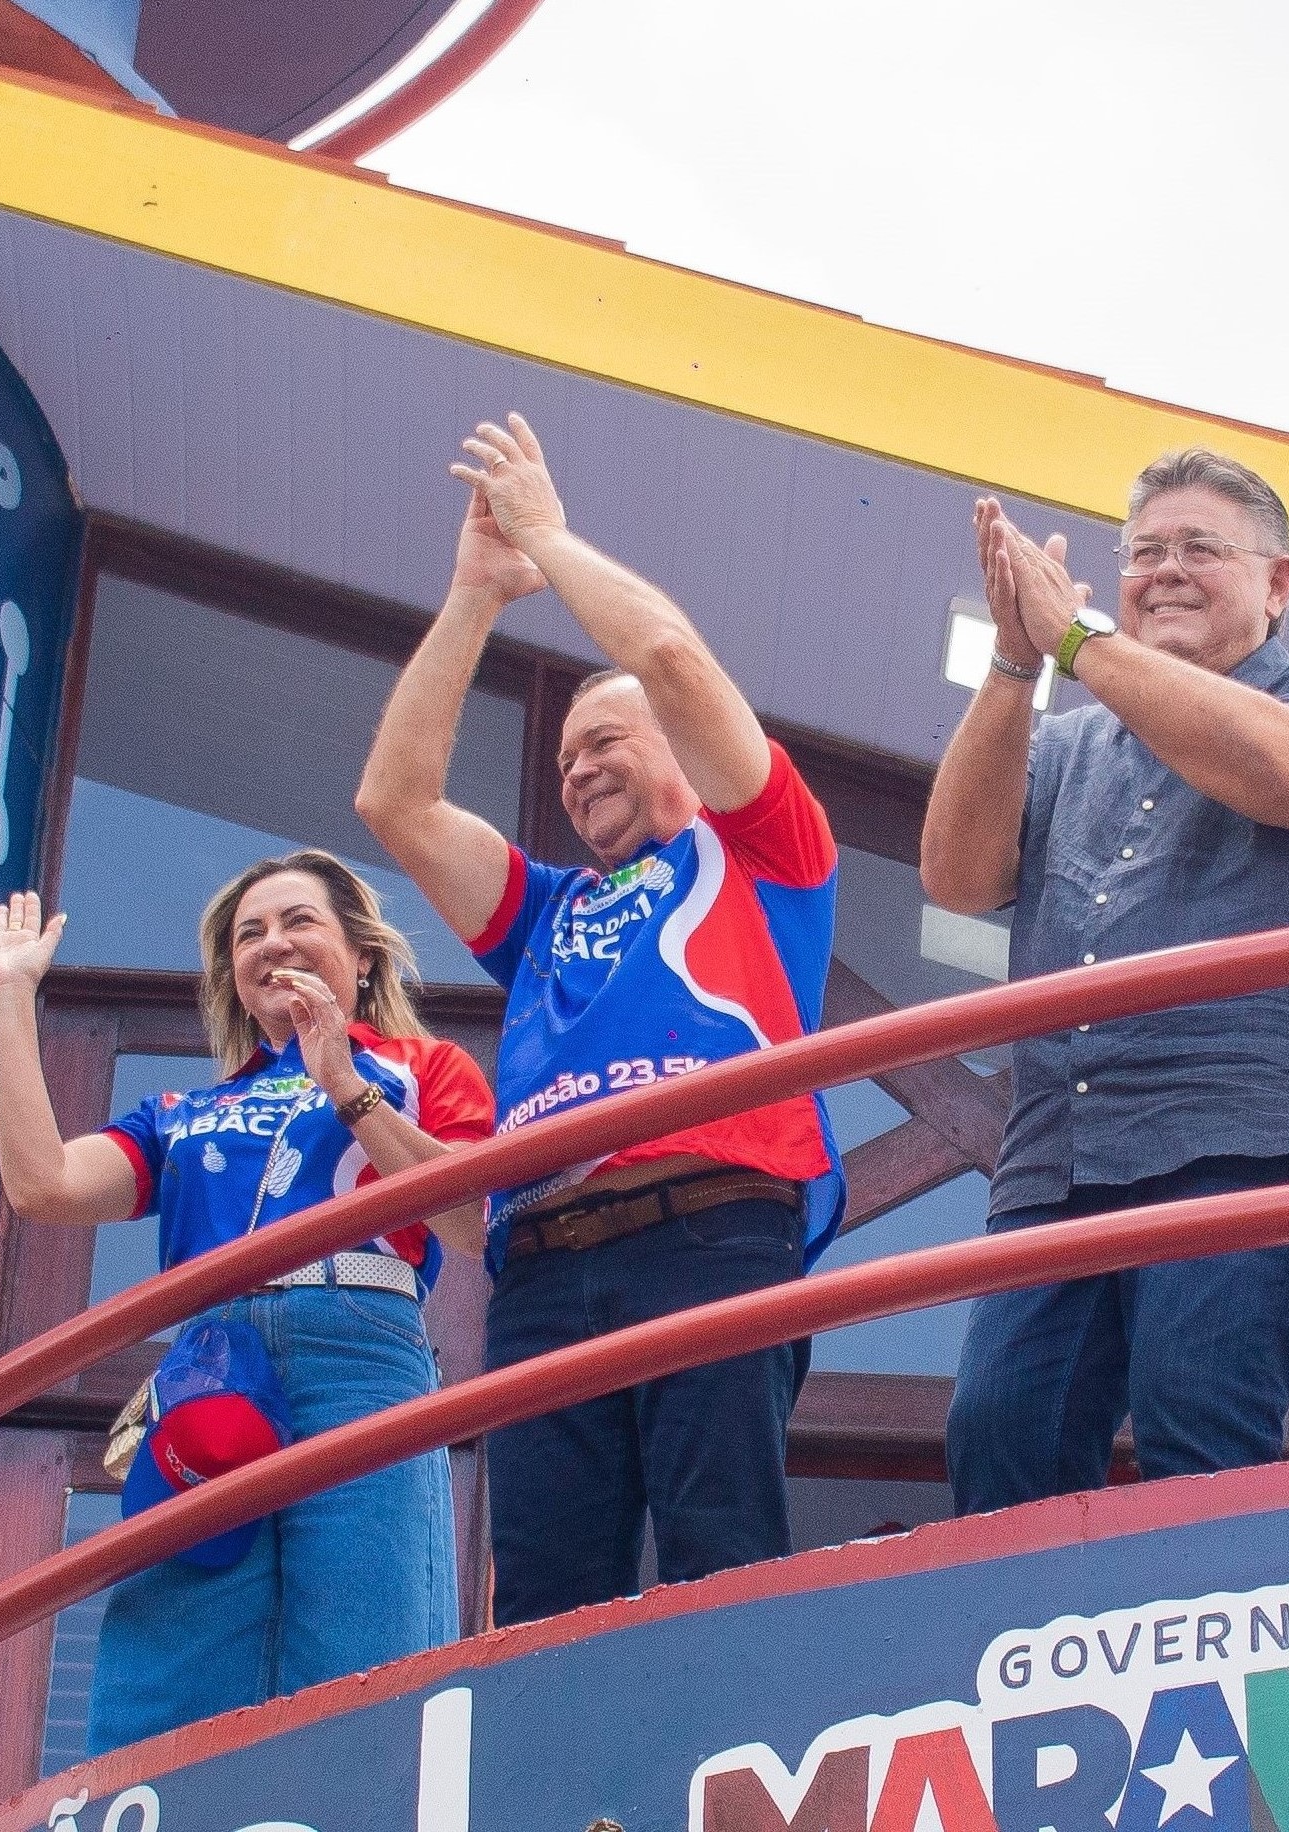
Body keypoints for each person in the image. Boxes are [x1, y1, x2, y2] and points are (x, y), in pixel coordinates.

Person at [356, 414, 839, 1623]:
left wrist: (549, 539)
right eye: (563, 758)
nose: (574, 771)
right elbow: (395, 800)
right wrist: (475, 594)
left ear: (674, 749)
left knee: (718, 1564)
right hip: (542, 1274)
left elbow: (670, 657)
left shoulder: (763, 850)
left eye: (602, 741)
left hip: (712, 1230)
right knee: (544, 1610)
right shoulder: (545, 909)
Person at [922, 447, 1289, 1514]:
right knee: (997, 1430)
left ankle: (1211, 1683)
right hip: (1059, 1156)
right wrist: (1016, 663)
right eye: (1143, 552)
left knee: (1196, 1416)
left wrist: (1077, 639)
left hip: (1247, 1130)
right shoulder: (1066, 742)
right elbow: (955, 877)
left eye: (1201, 547)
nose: (1165, 571)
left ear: (1277, 585)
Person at [0, 856, 492, 1753]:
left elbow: (473, 1217)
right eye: (248, 935)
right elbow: (42, 1184)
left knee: (369, 1649)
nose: (272, 944)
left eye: (298, 922)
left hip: (359, 1347)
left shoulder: (420, 1068)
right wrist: (12, 997)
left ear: (360, 956)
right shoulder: (183, 1108)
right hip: (215, 1366)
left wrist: (346, 1084)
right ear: (232, 978)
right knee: (178, 1652)